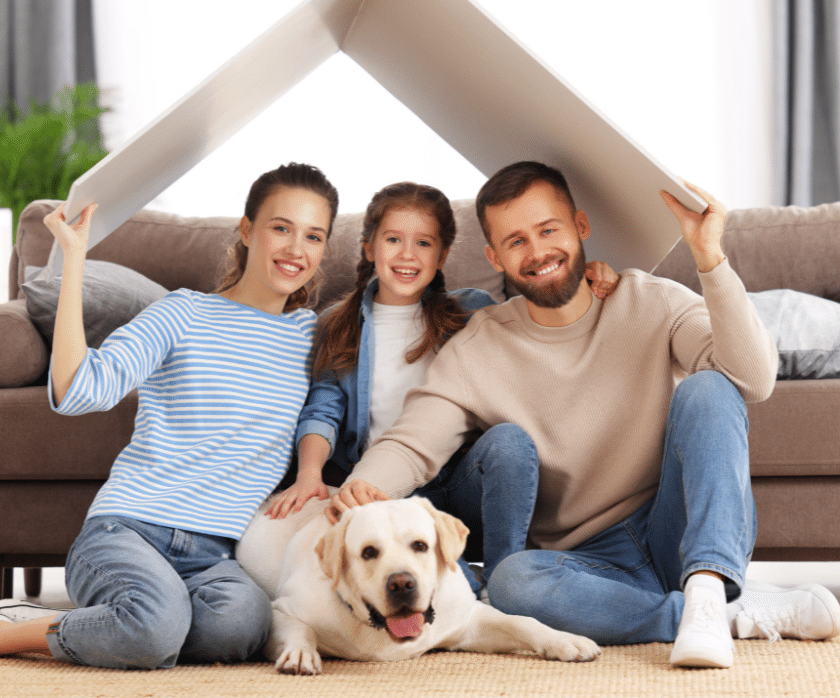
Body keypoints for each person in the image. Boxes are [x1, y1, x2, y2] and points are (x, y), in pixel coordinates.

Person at [328, 161, 840, 669]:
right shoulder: (477, 347)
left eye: (548, 230)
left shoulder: (650, 300)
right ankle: (722, 615)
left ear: (581, 226)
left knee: (710, 388)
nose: (537, 252)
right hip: (583, 564)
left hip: (673, 528)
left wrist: (710, 260)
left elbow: (753, 379)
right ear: (495, 256)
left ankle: (707, 589)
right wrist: (357, 490)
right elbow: (413, 442)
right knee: (510, 582)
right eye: (516, 241)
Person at [0, 162, 340, 668]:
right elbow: (76, 390)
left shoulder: (314, 338)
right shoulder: (183, 312)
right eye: (281, 228)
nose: (295, 249)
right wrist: (73, 261)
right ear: (247, 230)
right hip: (127, 530)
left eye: (313, 236)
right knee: (155, 629)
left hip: (216, 555)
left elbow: (327, 411)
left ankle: (131, 622)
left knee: (243, 626)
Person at [266, 181, 618, 594]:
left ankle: (509, 576)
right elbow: (322, 410)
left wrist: (589, 274)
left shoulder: (472, 311)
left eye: (424, 243)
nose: (407, 255)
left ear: (443, 255)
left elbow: (541, 304)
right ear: (368, 247)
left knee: (509, 441)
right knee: (452, 589)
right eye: (393, 239)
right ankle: (469, 586)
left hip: (460, 482)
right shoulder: (336, 323)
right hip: (386, 491)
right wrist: (309, 474)